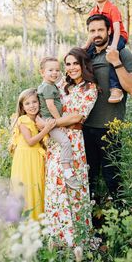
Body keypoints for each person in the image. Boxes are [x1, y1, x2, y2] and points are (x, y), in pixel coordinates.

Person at [36, 48, 98, 247]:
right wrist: (37, 121)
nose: (71, 68)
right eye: (68, 64)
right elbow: (44, 102)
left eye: (75, 63)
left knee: (73, 188)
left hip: (73, 141)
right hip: (55, 141)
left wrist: (51, 124)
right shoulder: (62, 84)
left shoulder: (90, 88)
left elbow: (77, 117)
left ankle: (78, 239)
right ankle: (58, 239)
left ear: (83, 65)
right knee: (55, 184)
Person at [83, 14, 132, 208]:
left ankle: (122, 219)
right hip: (83, 127)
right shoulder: (87, 55)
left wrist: (115, 62)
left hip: (109, 127)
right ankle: (91, 223)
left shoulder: (122, 54)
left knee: (112, 177)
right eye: (92, 31)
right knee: (88, 178)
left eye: (100, 30)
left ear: (109, 31)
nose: (96, 34)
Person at [9, 88, 56, 220]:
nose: (32, 106)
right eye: (27, 103)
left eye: (34, 102)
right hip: (25, 159)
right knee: (27, 188)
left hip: (36, 157)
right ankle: (27, 222)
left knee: (37, 187)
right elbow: (30, 141)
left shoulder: (39, 120)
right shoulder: (23, 120)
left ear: (40, 103)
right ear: (22, 107)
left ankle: (39, 221)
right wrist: (46, 129)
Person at [38, 57, 81, 190]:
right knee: (65, 142)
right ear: (42, 72)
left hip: (50, 121)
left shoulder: (49, 85)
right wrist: (60, 122)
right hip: (50, 121)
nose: (54, 73)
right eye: (50, 70)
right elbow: (50, 106)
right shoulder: (48, 87)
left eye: (57, 70)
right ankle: (67, 172)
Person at [83, 0, 128, 103]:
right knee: (86, 54)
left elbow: (117, 29)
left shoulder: (112, 9)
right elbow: (92, 31)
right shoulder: (93, 11)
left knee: (112, 56)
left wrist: (113, 46)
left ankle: (115, 88)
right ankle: (86, 85)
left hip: (118, 36)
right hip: (102, 37)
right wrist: (86, 46)